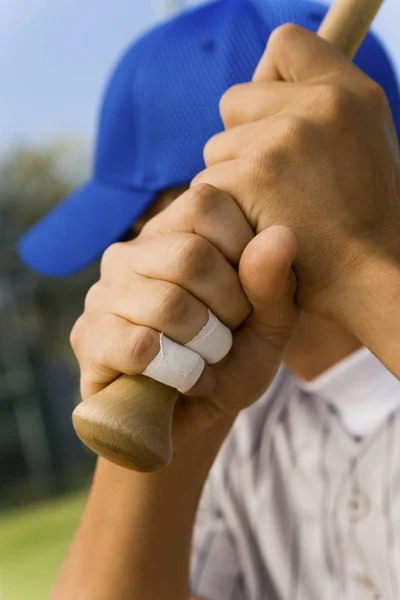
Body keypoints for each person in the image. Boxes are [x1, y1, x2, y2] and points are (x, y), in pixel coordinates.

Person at [18, 0, 400, 598]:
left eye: (145, 224)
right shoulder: (234, 423)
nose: (130, 261)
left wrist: (357, 264)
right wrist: (167, 428)